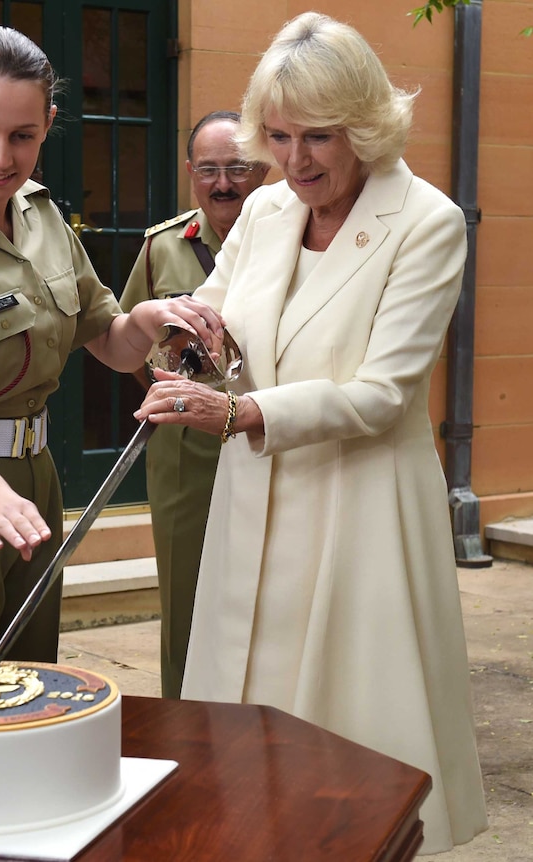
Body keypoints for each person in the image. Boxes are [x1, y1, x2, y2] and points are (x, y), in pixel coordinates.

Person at [134, 12, 487, 854]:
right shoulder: (263, 211)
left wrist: (244, 412)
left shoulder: (427, 224)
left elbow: (383, 393)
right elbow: (217, 306)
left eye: (319, 137)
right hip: (253, 498)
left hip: (358, 503)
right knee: (241, 716)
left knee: (351, 727)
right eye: (280, 136)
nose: (295, 161)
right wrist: (185, 332)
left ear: (365, 126)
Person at [0, 26, 224, 675]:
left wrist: (147, 318)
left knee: (24, 699)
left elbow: (106, 340)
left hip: (35, 486)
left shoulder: (43, 216)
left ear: (49, 122)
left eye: (23, 136)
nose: (2, 156)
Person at [119, 111, 268, 698]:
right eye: (208, 169)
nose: (223, 183)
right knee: (186, 591)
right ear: (190, 173)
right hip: (184, 454)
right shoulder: (161, 246)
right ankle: (183, 720)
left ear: (262, 170)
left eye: (237, 168)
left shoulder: (291, 240)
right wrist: (168, 397)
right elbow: (127, 335)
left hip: (262, 437)